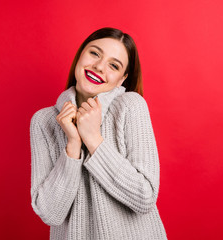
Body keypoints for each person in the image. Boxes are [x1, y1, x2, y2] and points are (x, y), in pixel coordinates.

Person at [30, 27, 167, 240]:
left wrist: (93, 139)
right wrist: (73, 145)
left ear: (122, 79)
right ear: (80, 54)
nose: (99, 67)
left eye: (114, 65)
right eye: (94, 53)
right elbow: (50, 213)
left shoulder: (131, 106)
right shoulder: (43, 121)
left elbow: (144, 197)